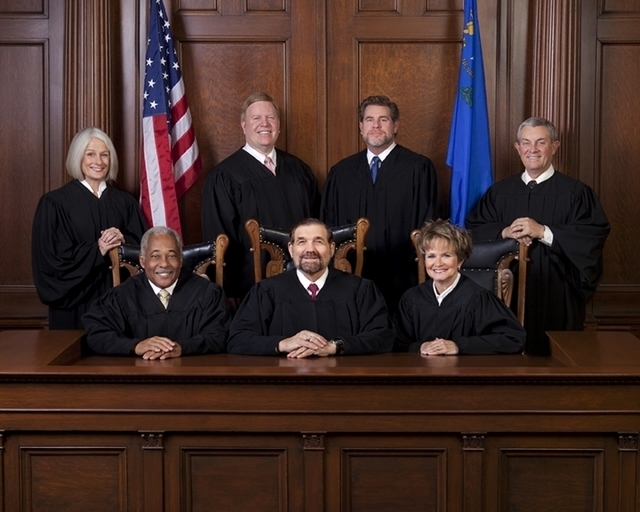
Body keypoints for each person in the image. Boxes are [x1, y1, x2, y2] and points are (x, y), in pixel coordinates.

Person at [466, 117, 610, 355]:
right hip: (506, 293)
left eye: (541, 142)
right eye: (526, 143)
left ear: (555, 146)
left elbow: (591, 236)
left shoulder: (576, 193)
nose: (532, 149)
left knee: (555, 361)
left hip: (557, 293)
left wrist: (543, 231)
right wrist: (505, 232)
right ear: (517, 148)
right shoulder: (499, 193)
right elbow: (474, 230)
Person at [321, 95, 438, 313]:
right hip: (351, 276)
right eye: (369, 120)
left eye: (383, 120)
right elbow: (329, 226)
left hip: (404, 275)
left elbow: (428, 224)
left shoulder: (418, 168)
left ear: (395, 126)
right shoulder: (341, 173)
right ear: (361, 127)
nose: (375, 125)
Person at [202, 92, 320, 299]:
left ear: (279, 125)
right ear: (244, 126)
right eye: (256, 118)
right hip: (250, 289)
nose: (264, 123)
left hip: (303, 282)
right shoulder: (225, 176)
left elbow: (317, 224)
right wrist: (229, 293)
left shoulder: (299, 170)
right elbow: (218, 241)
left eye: (270, 117)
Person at [32, 127, 147, 330]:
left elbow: (145, 250)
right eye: (90, 154)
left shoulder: (125, 202)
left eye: (105, 155)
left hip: (119, 303)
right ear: (78, 157)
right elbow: (52, 261)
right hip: (75, 306)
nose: (99, 161)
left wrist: (123, 241)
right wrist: (98, 250)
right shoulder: (55, 203)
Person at [227, 219, 395, 357]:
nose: (310, 249)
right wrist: (283, 344)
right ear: (291, 249)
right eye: (302, 242)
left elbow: (383, 336)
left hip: (344, 380)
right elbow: (238, 339)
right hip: (283, 381)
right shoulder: (266, 291)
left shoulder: (360, 289)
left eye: (318, 241)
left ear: (331, 248)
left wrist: (335, 346)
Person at [82, 227, 231, 359]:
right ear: (142, 260)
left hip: (193, 376)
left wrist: (182, 347)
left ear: (181, 259)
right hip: (138, 377)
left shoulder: (207, 293)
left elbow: (219, 335)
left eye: (171, 255)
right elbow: (96, 334)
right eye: (155, 256)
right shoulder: (122, 296)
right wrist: (135, 346)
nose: (164, 263)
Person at [394, 220, 525, 355]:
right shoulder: (412, 298)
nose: (438, 263)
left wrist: (458, 346)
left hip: (464, 368)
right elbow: (396, 342)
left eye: (446, 255)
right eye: (431, 256)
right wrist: (420, 346)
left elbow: (513, 339)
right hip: (421, 368)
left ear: (460, 261)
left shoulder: (478, 298)